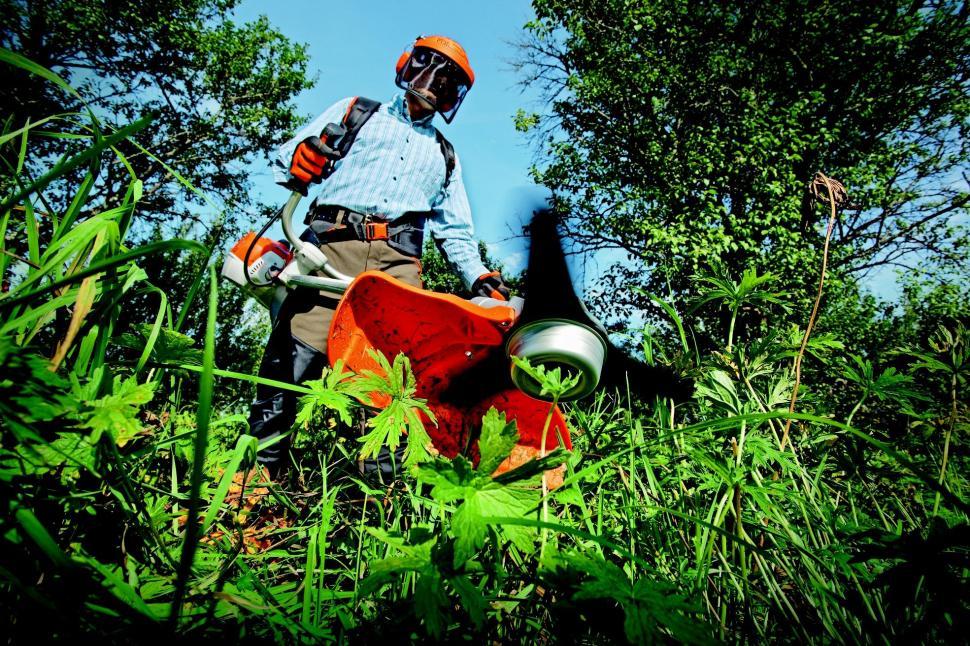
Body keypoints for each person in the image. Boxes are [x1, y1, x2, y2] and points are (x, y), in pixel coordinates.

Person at [248, 35, 510, 477]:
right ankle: (255, 477)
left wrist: (479, 277)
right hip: (332, 244)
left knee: (398, 379)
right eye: (427, 68)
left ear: (455, 97)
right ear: (407, 65)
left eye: (448, 82)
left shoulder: (445, 154)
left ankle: (378, 493)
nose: (433, 85)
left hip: (398, 264)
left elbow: (456, 233)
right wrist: (302, 157)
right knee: (292, 361)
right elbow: (287, 158)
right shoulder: (357, 111)